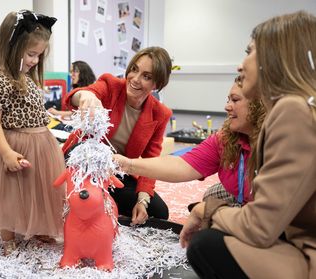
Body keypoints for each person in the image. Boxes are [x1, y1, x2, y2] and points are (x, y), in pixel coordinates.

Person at [181, 11, 316, 279]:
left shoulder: (293, 110)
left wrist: (209, 210)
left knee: (207, 244)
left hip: (305, 252)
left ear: (274, 58)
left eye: (249, 51)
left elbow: (260, 227)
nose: (241, 65)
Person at [0, 10, 66, 256]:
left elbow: (30, 107)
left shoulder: (27, 76)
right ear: (12, 46)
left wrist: (55, 115)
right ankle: (8, 236)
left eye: (39, 55)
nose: (36, 60)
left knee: (38, 188)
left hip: (40, 141)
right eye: (31, 54)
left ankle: (37, 226)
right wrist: (5, 152)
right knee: (11, 192)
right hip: (15, 142)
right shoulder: (1, 78)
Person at [62, 46, 173, 225]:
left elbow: (150, 161)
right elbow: (74, 97)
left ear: (157, 85)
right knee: (81, 198)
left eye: (146, 76)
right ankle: (89, 198)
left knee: (159, 212)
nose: (135, 79)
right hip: (82, 161)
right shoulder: (112, 85)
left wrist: (142, 201)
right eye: (134, 69)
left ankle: (102, 199)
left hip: (113, 172)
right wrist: (85, 96)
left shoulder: (160, 114)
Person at [114, 81, 265, 208]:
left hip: (270, 210)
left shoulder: (278, 144)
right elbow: (182, 165)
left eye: (235, 100)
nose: (227, 107)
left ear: (258, 104)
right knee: (210, 196)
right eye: (228, 100)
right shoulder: (225, 139)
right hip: (242, 195)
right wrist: (128, 164)